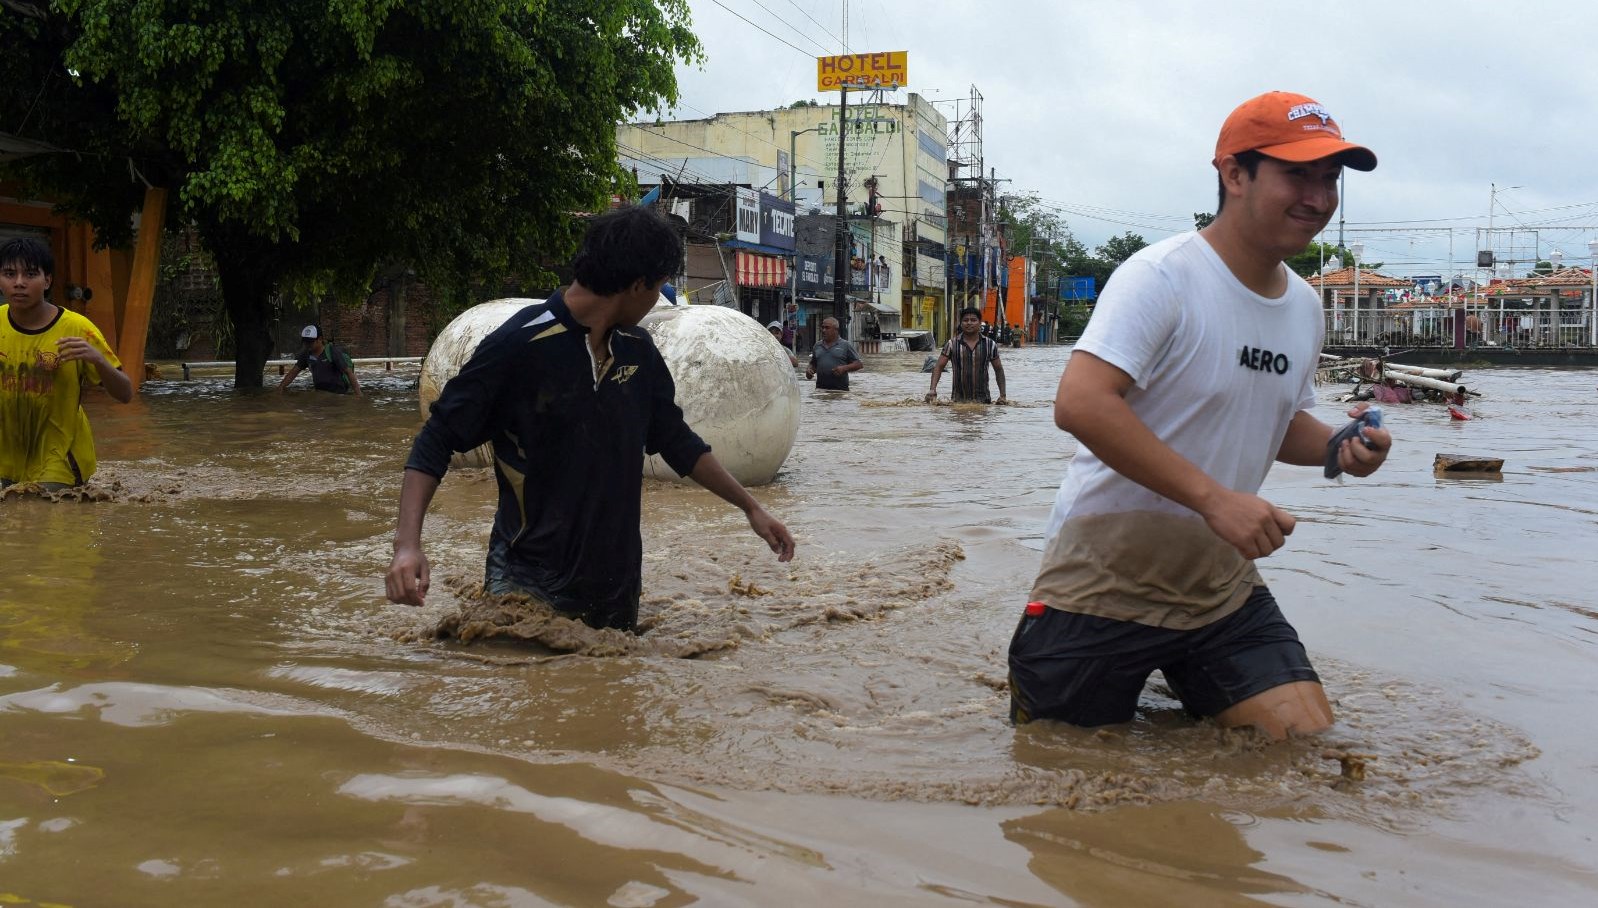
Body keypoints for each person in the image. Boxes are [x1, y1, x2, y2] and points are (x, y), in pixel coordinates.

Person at [1008, 91, 1393, 741]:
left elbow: (1279, 420)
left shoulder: (1304, 306)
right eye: (1298, 173)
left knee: (1304, 749)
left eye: (1331, 179)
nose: (1320, 198)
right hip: (1101, 585)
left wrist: (1340, 447)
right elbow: (1079, 402)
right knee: (1066, 782)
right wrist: (1214, 498)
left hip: (1219, 589)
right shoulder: (1161, 277)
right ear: (1234, 174)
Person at [385, 206, 795, 631]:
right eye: (657, 287)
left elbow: (677, 441)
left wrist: (751, 508)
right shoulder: (519, 345)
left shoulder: (638, 349)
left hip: (615, 588)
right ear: (637, 285)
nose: (657, 298)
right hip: (527, 585)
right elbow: (436, 438)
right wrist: (407, 545)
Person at [0, 237, 133, 490]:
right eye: (9, 274)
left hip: (60, 457)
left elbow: (126, 394)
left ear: (47, 280)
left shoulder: (77, 328)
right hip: (7, 457)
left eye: (30, 274)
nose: (19, 283)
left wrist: (97, 360)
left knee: (52, 519)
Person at [927, 306, 1008, 404]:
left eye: (973, 320)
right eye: (965, 320)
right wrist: (932, 389)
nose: (969, 323)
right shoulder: (952, 344)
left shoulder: (990, 344)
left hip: (983, 403)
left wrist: (1002, 396)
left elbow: (998, 369)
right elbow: (939, 367)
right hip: (957, 403)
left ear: (979, 323)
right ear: (961, 323)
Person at [278, 325, 362, 396]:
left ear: (320, 339)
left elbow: (349, 372)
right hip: (320, 394)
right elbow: (294, 372)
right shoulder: (306, 354)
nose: (307, 345)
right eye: (305, 342)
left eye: (310, 342)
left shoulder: (332, 352)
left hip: (338, 394)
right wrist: (281, 388)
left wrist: (358, 395)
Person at [806, 316, 862, 390]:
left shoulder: (845, 345)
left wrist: (844, 368)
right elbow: (813, 363)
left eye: (827, 328)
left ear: (836, 330)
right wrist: (809, 370)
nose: (823, 330)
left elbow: (859, 364)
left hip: (840, 391)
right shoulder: (817, 345)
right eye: (822, 327)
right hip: (820, 391)